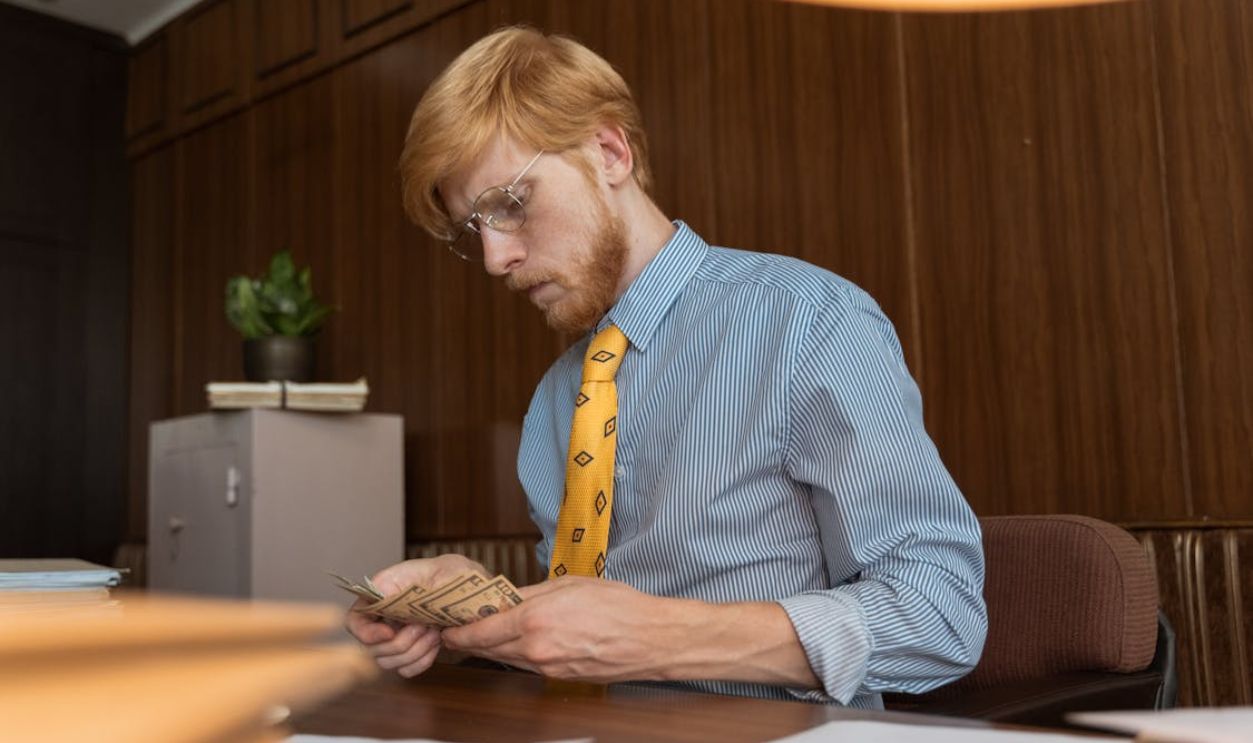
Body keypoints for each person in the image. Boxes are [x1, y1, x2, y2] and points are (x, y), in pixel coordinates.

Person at [345, 25, 987, 709]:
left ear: (609, 151)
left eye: (509, 204)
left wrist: (658, 637)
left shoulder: (808, 320)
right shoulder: (556, 400)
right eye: (476, 230)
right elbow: (578, 627)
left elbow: (940, 611)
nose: (498, 259)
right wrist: (467, 603)